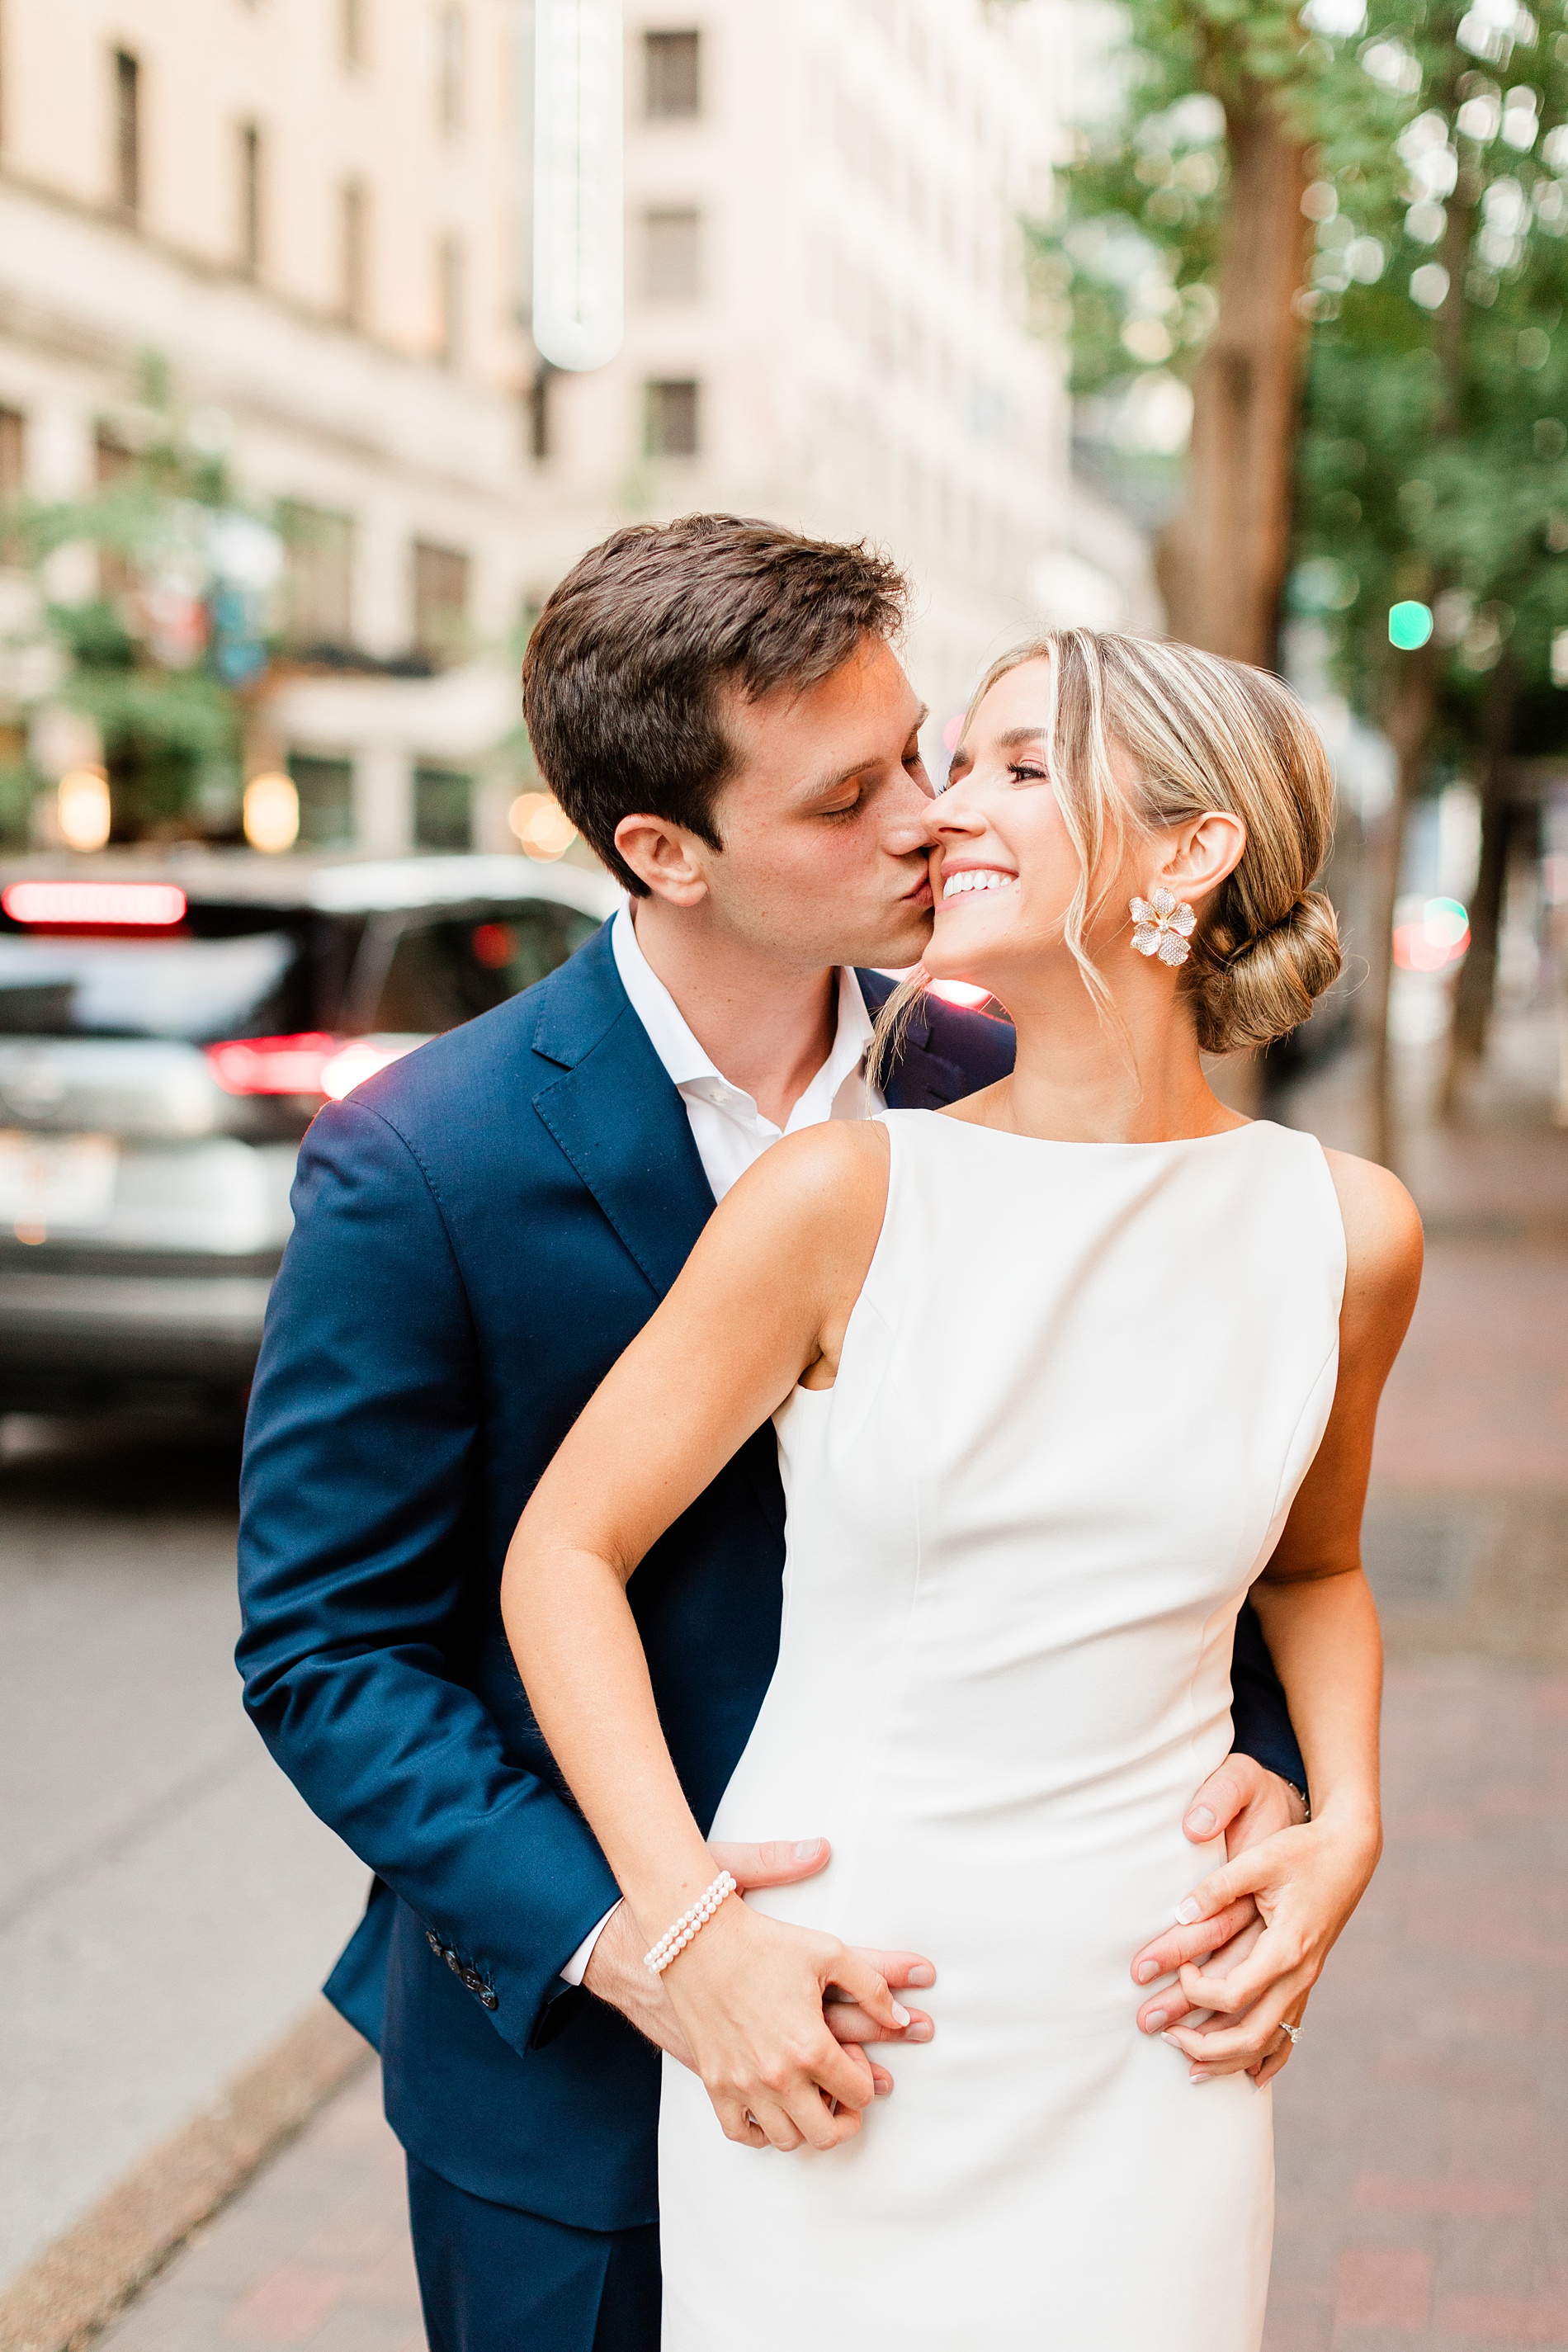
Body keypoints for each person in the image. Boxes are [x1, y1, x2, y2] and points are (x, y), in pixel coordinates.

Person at [239, 522, 1328, 2352]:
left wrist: (1277, 1778)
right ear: (664, 851)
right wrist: (657, 1946)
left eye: (923, 754)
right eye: (847, 799)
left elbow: (1188, 1501)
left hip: (996, 2035)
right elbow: (329, 1653)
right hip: (575, 2090)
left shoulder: (1013, 1082)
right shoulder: (425, 1156)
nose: (928, 820)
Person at [501, 624, 1422, 2350]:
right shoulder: (841, 1196)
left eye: (1018, 766)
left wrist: (1347, 1819)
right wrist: (686, 1924)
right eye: (953, 763)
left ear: (1190, 850)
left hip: (1156, 2018)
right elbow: (563, 1549)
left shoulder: (1343, 1230)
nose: (942, 812)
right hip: (846, 2003)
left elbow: (1312, 1570)